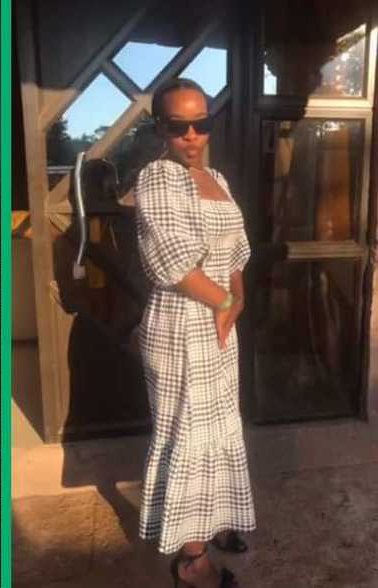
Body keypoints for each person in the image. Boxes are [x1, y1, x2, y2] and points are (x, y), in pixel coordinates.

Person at [134, 78, 252, 588]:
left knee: (222, 425)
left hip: (220, 322)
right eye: (178, 126)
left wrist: (238, 296)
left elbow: (238, 246)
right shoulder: (157, 179)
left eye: (201, 123)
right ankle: (192, 560)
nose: (191, 135)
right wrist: (226, 302)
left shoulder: (218, 178)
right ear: (160, 128)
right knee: (188, 434)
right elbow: (175, 263)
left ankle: (216, 519)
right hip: (183, 326)